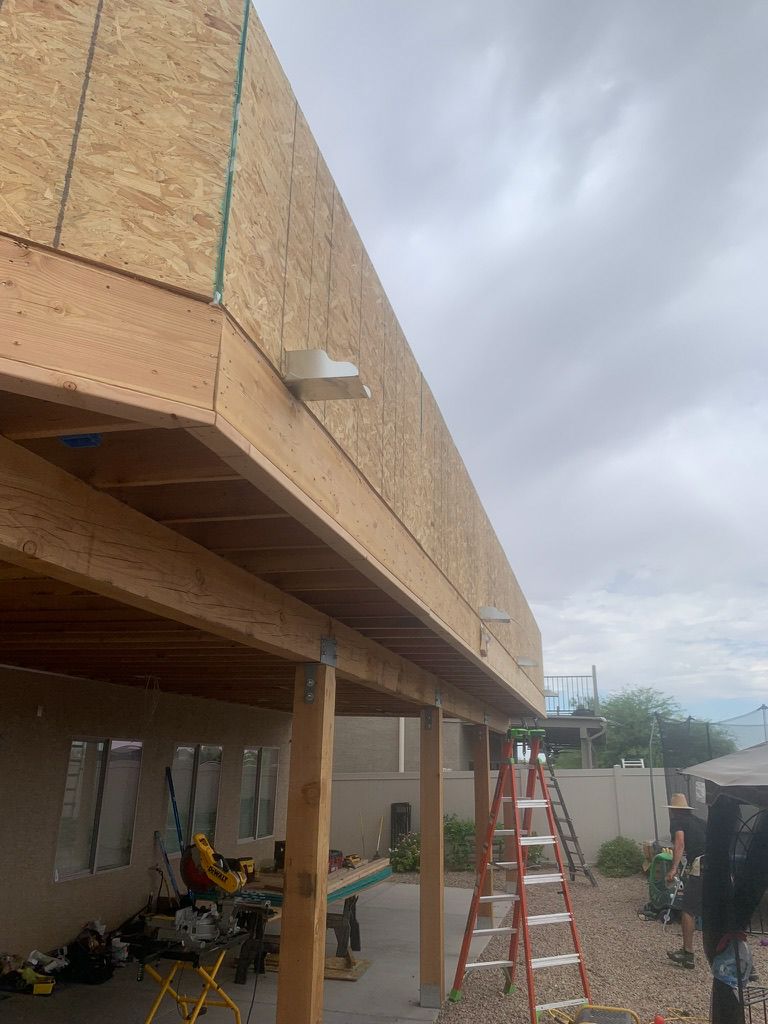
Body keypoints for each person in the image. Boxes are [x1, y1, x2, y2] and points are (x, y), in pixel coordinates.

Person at [666, 792, 707, 969]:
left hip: (701, 865)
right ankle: (738, 956)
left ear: (673, 810)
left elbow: (680, 843)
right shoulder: (700, 821)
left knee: (688, 909)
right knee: (719, 908)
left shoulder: (677, 821)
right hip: (718, 865)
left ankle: (687, 953)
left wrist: (673, 868)